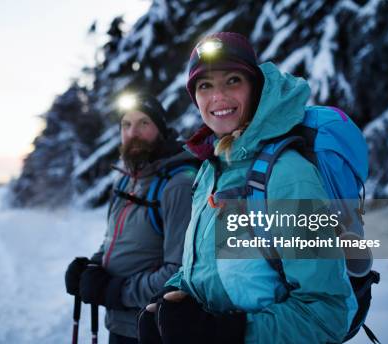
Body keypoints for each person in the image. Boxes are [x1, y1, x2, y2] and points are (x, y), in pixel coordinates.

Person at [138, 32, 357, 344]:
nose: (218, 97)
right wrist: (167, 297)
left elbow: (326, 314)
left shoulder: (288, 175)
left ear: (255, 87)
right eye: (205, 85)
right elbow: (204, 268)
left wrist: (223, 333)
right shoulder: (211, 171)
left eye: (232, 80)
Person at [65, 93, 197, 343]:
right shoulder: (125, 179)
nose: (133, 132)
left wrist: (116, 291)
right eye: (126, 124)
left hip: (153, 327)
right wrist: (91, 269)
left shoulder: (177, 185)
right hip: (119, 324)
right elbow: (111, 240)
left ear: (161, 129)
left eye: (143, 123)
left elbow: (179, 272)